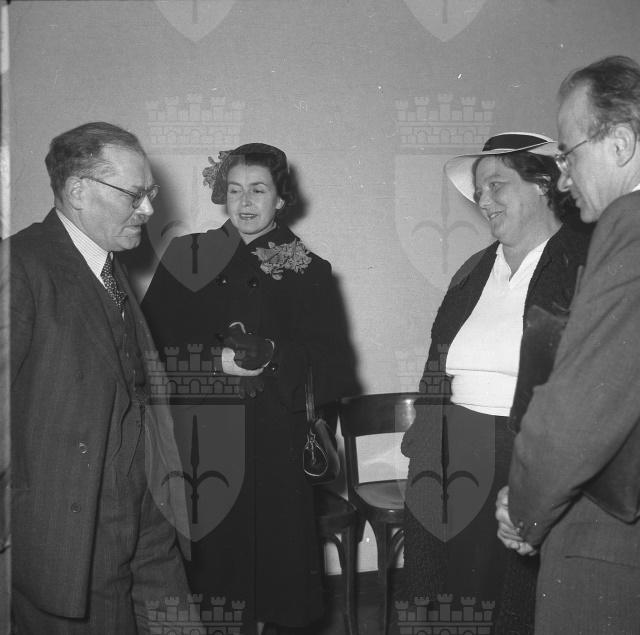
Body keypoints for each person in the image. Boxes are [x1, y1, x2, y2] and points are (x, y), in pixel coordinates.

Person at [141, 142, 358, 634]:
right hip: (201, 441)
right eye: (234, 189)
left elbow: (334, 367)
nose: (244, 202)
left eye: (258, 190)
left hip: (275, 446)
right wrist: (213, 363)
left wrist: (274, 355)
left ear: (281, 198)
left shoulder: (308, 268)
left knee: (271, 584)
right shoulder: (187, 254)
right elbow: (147, 350)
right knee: (211, 582)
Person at [2, 122, 191, 634]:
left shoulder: (109, 266)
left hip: (150, 509)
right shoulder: (18, 265)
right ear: (78, 190)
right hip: (71, 528)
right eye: (134, 194)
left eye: (150, 193)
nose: (148, 209)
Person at [401, 132, 591, 633]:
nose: (483, 201)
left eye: (496, 185)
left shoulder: (582, 264)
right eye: (479, 190)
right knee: (443, 596)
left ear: (543, 185)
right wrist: (424, 447)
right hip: (449, 452)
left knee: (505, 601)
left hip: (524, 456)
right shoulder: (473, 270)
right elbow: (436, 365)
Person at [497, 55, 640, 633]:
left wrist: (524, 511)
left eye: (569, 154)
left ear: (621, 144)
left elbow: (578, 413)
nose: (562, 178)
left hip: (610, 543)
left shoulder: (630, 224)